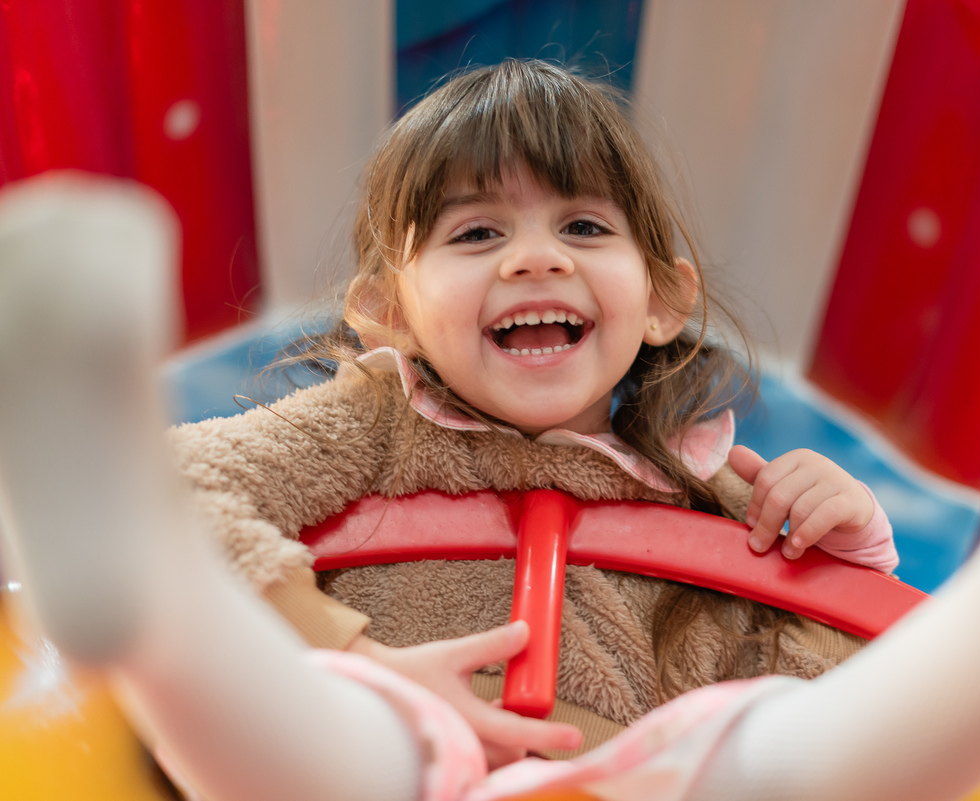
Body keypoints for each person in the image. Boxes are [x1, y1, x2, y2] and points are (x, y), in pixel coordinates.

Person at [158, 59, 899, 764]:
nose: (537, 258)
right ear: (391, 313)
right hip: (387, 760)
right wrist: (360, 667)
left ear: (663, 301)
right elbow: (159, 489)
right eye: (477, 233)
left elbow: (826, 730)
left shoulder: (721, 499)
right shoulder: (374, 428)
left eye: (584, 227)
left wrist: (848, 567)